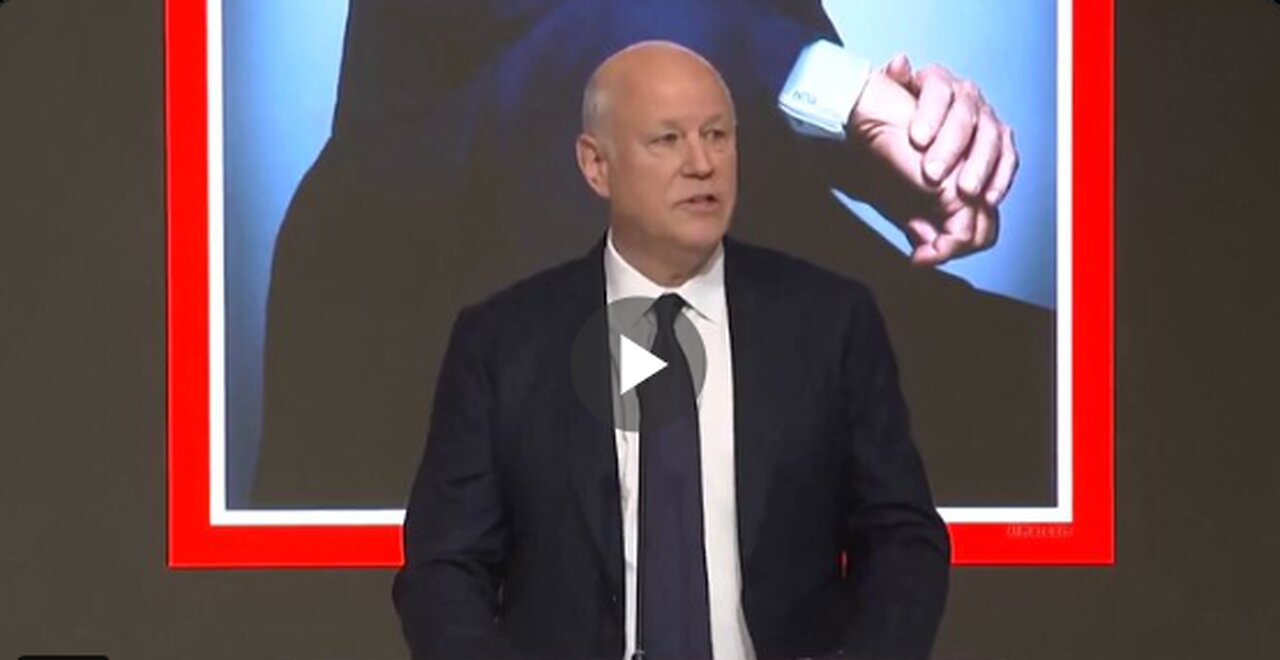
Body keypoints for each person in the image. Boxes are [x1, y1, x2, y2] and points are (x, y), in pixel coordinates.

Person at [254, 0, 1053, 508]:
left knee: (1068, 402)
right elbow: (602, 37)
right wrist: (844, 91)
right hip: (431, 292)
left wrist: (907, 145)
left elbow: (771, 47)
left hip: (723, 268)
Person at [393, 41, 949, 660]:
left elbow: (902, 538)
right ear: (595, 164)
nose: (702, 163)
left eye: (717, 135)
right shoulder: (502, 342)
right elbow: (443, 572)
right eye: (667, 140)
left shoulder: (829, 322)